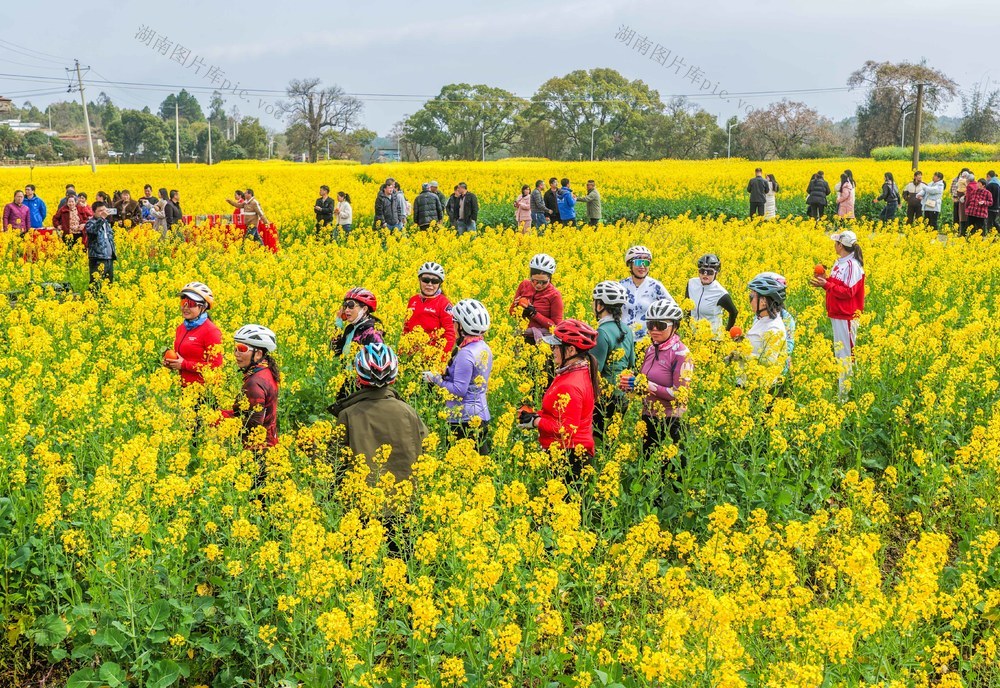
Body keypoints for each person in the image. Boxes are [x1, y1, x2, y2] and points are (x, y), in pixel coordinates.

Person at [328, 343, 428, 488]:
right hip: (405, 502)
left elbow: (334, 461)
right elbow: (425, 448)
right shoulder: (408, 412)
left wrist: (311, 449)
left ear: (358, 376)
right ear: (394, 376)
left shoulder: (348, 415)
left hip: (362, 502)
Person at [517, 319, 599, 480]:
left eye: (555, 346)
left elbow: (566, 429)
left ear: (570, 350)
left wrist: (536, 422)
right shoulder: (572, 373)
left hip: (570, 457)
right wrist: (536, 415)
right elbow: (558, 413)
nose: (552, 350)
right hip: (565, 452)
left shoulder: (571, 385)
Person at [619, 299, 692, 463]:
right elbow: (645, 383)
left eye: (660, 325)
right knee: (647, 470)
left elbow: (680, 395)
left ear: (675, 326)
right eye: (650, 324)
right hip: (648, 418)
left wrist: (648, 386)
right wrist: (631, 384)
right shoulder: (651, 349)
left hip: (671, 422)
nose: (653, 330)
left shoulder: (681, 354)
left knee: (670, 475)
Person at [422, 299, 494, 455]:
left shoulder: (466, 353)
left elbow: (459, 390)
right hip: (480, 414)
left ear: (462, 326)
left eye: (454, 321)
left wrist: (435, 379)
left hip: (463, 420)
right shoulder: (483, 347)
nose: (452, 325)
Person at [810, 230, 865, 401]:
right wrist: (824, 281)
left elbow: (848, 292)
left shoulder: (853, 266)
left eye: (836, 243)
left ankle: (845, 397)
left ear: (841, 246)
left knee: (846, 356)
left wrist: (826, 285)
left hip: (847, 316)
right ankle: (844, 391)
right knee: (840, 354)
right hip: (837, 314)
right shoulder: (840, 263)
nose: (834, 245)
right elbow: (837, 284)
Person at [221, 325, 280, 463]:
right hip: (269, 445)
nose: (236, 353)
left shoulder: (255, 382)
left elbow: (252, 425)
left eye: (242, 349)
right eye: (235, 348)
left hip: (257, 453)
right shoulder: (265, 371)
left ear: (258, 353)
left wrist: (218, 420)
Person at [590, 281, 635, 442]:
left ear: (600, 305)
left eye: (594, 301)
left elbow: (595, 370)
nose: (592, 304)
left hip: (603, 397)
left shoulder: (601, 332)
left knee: (597, 439)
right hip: (622, 395)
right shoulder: (627, 330)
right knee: (611, 441)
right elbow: (631, 363)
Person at [163, 281, 224, 387]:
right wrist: (172, 363)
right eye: (183, 303)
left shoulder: (211, 331)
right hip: (185, 392)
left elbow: (215, 366)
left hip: (205, 393)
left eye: (191, 303)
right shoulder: (181, 328)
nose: (185, 307)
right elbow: (182, 359)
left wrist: (184, 365)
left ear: (203, 307)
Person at [740, 274, 788, 388]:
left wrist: (741, 354)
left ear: (763, 301)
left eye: (752, 296)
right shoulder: (761, 319)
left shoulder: (774, 329)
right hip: (748, 383)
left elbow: (769, 360)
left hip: (760, 389)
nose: (750, 300)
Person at [403, 262, 456, 360]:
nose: (429, 284)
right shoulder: (413, 300)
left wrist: (441, 361)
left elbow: (450, 334)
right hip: (410, 356)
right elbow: (406, 328)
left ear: (440, 284)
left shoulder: (444, 304)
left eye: (434, 281)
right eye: (426, 280)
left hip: (432, 358)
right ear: (419, 280)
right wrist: (402, 352)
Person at [509, 253, 564, 345]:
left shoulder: (555, 295)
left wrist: (534, 314)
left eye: (544, 282)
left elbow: (556, 326)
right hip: (522, 336)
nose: (539, 285)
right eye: (534, 281)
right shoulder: (524, 285)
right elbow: (511, 312)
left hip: (545, 341)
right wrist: (517, 308)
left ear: (550, 278)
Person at [619, 245, 672, 339]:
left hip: (647, 341)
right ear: (630, 265)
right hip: (623, 339)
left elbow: (672, 309)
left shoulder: (656, 286)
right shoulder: (621, 286)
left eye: (646, 263)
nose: (642, 266)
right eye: (638, 262)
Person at [685, 254, 738, 337]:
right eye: (702, 271)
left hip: (712, 339)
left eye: (710, 272)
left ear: (716, 273)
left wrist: (726, 334)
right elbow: (687, 307)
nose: (705, 275)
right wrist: (687, 328)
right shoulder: (691, 284)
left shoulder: (721, 293)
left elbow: (734, 312)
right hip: (693, 336)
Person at [330, 287, 385, 357]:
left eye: (351, 305)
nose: (346, 310)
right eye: (345, 306)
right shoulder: (350, 329)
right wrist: (338, 324)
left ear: (364, 309)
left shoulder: (373, 333)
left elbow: (378, 360)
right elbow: (335, 352)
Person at [85, 201, 116, 286]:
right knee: (96, 284)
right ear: (93, 212)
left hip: (109, 258)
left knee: (109, 284)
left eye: (104, 210)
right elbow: (92, 231)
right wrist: (102, 218)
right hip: (97, 258)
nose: (103, 213)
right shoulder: (90, 223)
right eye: (100, 211)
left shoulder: (106, 223)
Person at [986, 171, 1000, 235]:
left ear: (988, 176)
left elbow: (988, 197)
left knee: (990, 223)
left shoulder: (990, 185)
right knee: (995, 222)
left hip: (991, 207)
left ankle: (991, 237)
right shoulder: (998, 183)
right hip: (998, 206)